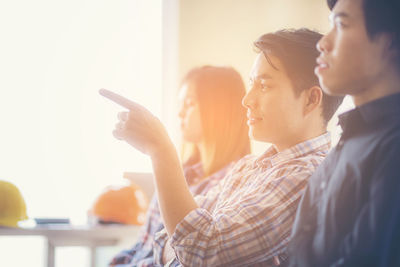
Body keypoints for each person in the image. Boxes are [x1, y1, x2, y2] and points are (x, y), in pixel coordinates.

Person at [106, 29, 344, 266]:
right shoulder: (248, 167)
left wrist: (160, 149)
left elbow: (201, 251)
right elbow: (170, 238)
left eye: (264, 86)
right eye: (252, 84)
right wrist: (184, 247)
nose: (247, 100)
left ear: (311, 99)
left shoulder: (309, 177)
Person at [288, 0, 400, 266]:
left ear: (387, 43)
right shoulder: (349, 139)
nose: (323, 43)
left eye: (341, 24)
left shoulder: (392, 149)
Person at [109, 66, 251, 266]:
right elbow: (143, 246)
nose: (180, 112)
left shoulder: (235, 182)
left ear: (219, 109)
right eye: (180, 103)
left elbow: (186, 259)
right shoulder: (178, 173)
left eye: (190, 103)